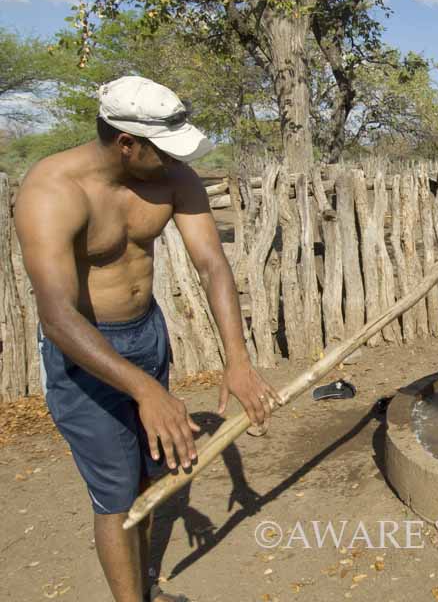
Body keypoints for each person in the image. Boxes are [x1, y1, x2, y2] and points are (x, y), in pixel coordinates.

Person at [14, 76, 282, 602]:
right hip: (84, 351)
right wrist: (146, 391)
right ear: (126, 142)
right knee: (115, 491)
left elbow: (212, 266)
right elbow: (58, 317)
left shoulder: (172, 177)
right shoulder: (52, 192)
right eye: (164, 149)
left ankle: (145, 586)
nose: (176, 161)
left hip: (146, 336)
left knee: (149, 471)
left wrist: (238, 360)